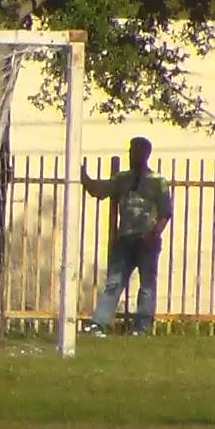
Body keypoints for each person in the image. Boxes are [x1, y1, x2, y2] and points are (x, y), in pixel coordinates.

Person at [80, 137, 172, 337]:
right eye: (131, 150)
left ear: (146, 154)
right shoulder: (123, 179)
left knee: (147, 284)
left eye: (137, 151)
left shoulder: (158, 182)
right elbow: (99, 190)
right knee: (114, 281)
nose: (132, 155)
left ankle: (142, 327)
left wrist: (154, 234)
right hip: (125, 238)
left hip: (147, 239)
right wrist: (83, 177)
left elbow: (165, 213)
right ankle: (99, 323)